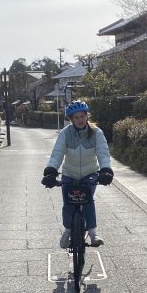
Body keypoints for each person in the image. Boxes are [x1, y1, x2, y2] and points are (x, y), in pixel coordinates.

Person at [42, 100, 114, 248]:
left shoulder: (96, 133)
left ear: (87, 116)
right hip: (69, 173)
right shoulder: (65, 133)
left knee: (88, 201)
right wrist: (51, 171)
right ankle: (67, 232)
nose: (80, 120)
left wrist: (106, 170)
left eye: (82, 116)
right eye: (76, 117)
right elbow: (57, 154)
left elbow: (103, 153)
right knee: (68, 204)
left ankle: (93, 234)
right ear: (71, 119)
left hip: (90, 173)